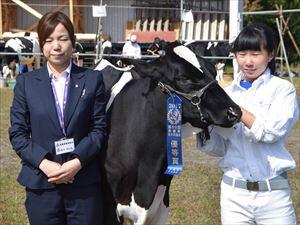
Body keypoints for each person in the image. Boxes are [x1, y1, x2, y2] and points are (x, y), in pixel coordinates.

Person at [9, 11, 106, 225]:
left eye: (63, 39)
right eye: (49, 40)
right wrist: (45, 164)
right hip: (42, 184)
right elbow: (18, 134)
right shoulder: (26, 83)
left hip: (84, 184)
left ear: (73, 41)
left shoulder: (92, 80)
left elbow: (99, 129)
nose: (57, 46)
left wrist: (77, 162)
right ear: (42, 44)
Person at [197, 23, 299, 225]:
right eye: (241, 54)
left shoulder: (282, 90)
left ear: (270, 55)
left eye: (255, 54)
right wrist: (202, 124)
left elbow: (271, 131)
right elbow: (219, 147)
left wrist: (237, 110)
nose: (248, 61)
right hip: (233, 196)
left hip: (273, 196)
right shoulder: (228, 93)